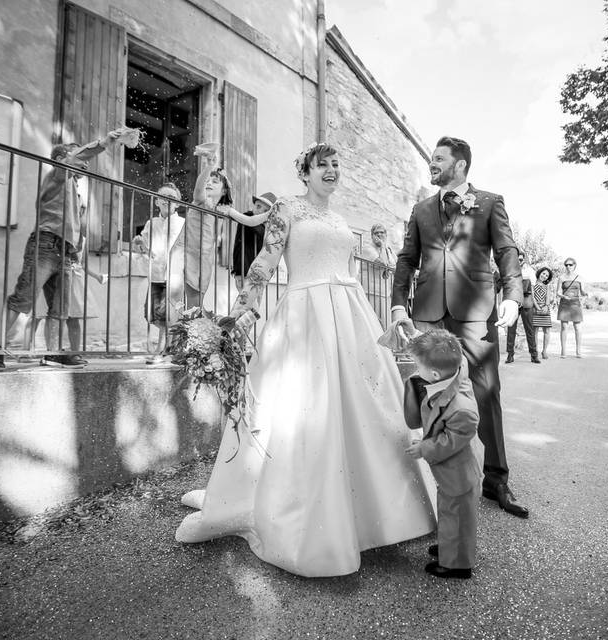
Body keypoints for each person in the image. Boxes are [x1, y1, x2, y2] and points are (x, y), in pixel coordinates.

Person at [174, 143, 437, 577]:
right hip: (305, 317)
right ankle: (297, 513)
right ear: (306, 172)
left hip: (350, 316)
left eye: (337, 164)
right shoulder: (286, 210)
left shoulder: (338, 219)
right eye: (323, 165)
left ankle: (378, 511)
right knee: (301, 410)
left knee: (366, 407)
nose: (332, 170)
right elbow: (265, 262)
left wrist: (377, 249)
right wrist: (238, 312)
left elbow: (357, 264)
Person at [391, 135, 529, 519]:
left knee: (486, 393)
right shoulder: (421, 209)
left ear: (461, 164)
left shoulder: (489, 202)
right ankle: (442, 478)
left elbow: (506, 250)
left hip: (476, 313)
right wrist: (399, 304)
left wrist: (512, 296)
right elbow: (407, 259)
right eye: (431, 158)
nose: (431, 163)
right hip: (430, 312)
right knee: (432, 395)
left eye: (439, 159)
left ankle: (496, 478)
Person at [0, 128, 133, 371]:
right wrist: (104, 143)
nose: (83, 164)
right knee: (24, 298)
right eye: (76, 158)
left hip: (65, 251)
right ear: (61, 161)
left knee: (61, 308)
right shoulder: (57, 176)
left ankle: (53, 352)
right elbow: (76, 160)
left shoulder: (74, 188)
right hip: (45, 244)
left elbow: (74, 225)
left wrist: (74, 252)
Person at [403, 329, 480, 580]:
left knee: (458, 518)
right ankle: (450, 546)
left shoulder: (463, 410)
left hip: (458, 475)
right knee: (448, 513)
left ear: (434, 374)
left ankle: (457, 565)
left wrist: (423, 448)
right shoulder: (457, 370)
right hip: (449, 475)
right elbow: (449, 351)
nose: (416, 370)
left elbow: (449, 442)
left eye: (418, 366)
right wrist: (417, 336)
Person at [133, 183, 186, 362]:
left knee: (166, 314)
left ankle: (161, 350)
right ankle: (172, 346)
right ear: (157, 201)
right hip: (156, 273)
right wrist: (141, 243)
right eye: (163, 196)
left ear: (177, 203)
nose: (167, 199)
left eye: (171, 197)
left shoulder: (182, 223)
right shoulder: (151, 223)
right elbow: (148, 251)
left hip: (174, 275)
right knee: (151, 314)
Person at [184, 145, 233, 308]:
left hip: (205, 258)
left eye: (215, 181)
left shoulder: (221, 211)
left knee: (196, 305)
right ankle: (188, 331)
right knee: (186, 304)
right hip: (188, 255)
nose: (209, 183)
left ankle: (195, 331)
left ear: (224, 190)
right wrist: (209, 166)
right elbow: (198, 189)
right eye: (208, 181)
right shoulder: (201, 201)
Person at [230, 192, 277, 290]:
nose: (260, 211)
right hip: (244, 269)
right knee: (245, 302)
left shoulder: (266, 227)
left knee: (254, 303)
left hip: (258, 271)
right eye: (258, 206)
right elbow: (252, 224)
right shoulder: (246, 217)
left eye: (265, 211)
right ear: (254, 205)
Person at [505, 252, 539, 364]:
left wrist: (535, 303)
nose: (518, 261)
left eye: (520, 259)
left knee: (529, 329)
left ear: (524, 259)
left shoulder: (529, 270)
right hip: (513, 300)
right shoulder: (510, 269)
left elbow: (533, 289)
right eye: (517, 259)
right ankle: (510, 355)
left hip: (526, 299)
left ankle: (534, 355)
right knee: (511, 329)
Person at [556, 258, 586, 358]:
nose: (568, 267)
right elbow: (558, 292)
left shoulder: (580, 278)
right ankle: (563, 351)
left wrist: (585, 293)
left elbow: (582, 291)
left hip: (575, 304)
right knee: (564, 327)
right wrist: (564, 296)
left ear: (575, 265)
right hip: (564, 304)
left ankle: (578, 351)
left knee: (578, 328)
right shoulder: (562, 277)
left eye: (570, 265)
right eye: (566, 265)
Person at [532, 267, 555, 359]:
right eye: (543, 273)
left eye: (547, 275)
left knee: (547, 331)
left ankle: (544, 351)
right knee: (535, 331)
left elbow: (548, 297)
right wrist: (537, 307)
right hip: (535, 308)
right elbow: (532, 297)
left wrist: (546, 306)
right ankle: (535, 351)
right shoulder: (533, 283)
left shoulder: (547, 286)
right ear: (539, 273)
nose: (544, 276)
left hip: (545, 309)